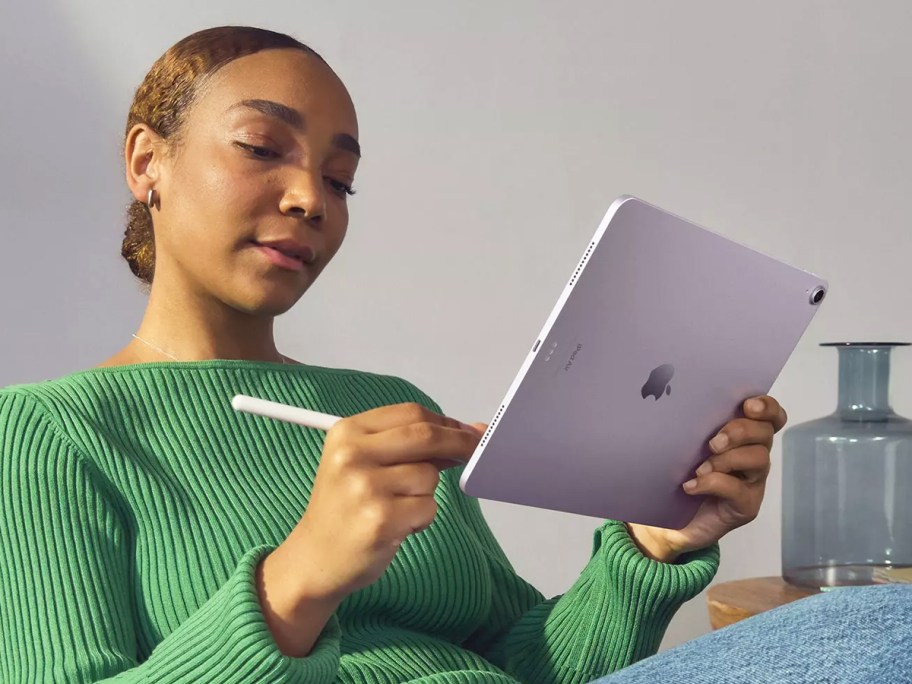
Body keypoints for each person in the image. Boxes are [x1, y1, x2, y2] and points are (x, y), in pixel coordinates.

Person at [1, 25, 906, 684]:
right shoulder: (50, 431)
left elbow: (534, 662)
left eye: (341, 177)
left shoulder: (382, 401)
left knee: (887, 624)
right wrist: (297, 582)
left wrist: (651, 547)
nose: (311, 198)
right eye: (261, 148)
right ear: (145, 162)